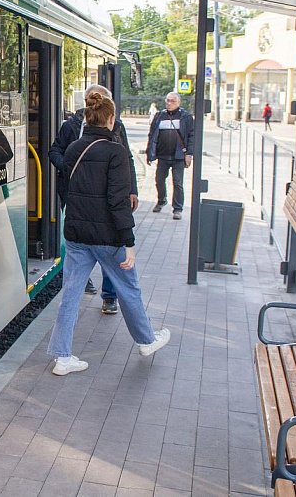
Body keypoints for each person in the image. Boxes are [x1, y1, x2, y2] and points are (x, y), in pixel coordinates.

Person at [48, 91, 170, 376]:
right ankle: (146, 341)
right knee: (129, 289)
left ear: (88, 117)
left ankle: (62, 358)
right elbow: (117, 201)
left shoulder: (73, 149)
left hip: (76, 234)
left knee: (70, 295)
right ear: (111, 119)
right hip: (107, 236)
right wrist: (129, 242)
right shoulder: (116, 152)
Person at [49, 84, 138, 314]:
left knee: (104, 249)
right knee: (104, 249)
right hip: (78, 198)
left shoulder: (117, 128)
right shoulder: (71, 125)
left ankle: (109, 296)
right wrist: (68, 168)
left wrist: (133, 190)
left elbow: (127, 159)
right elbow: (55, 151)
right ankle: (87, 280)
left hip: (105, 201)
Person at [146, 92, 195, 220]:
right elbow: (152, 135)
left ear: (178, 102)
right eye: (167, 100)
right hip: (162, 155)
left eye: (172, 101)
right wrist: (149, 153)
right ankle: (162, 200)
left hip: (178, 156)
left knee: (177, 183)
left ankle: (177, 209)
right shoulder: (159, 116)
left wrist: (189, 154)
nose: (169, 103)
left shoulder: (186, 117)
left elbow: (191, 136)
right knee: (159, 180)